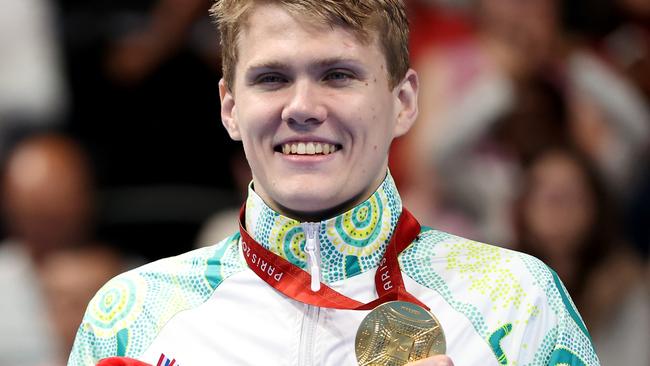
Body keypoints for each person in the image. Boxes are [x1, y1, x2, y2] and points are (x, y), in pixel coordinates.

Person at [68, 1, 599, 365]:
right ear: (230, 108)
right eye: (271, 78)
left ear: (403, 102)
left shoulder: (516, 302)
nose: (302, 108)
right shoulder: (133, 318)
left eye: (338, 75)